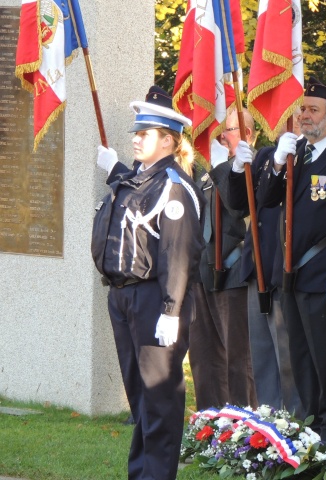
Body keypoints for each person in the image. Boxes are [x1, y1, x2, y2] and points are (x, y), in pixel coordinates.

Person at [247, 77, 326, 442]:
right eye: (302, 109)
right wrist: (277, 163)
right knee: (300, 357)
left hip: (324, 276)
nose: (304, 116)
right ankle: (314, 424)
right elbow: (267, 200)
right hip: (292, 275)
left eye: (313, 110)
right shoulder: (297, 153)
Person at [91, 85, 205, 480]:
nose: (136, 139)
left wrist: (171, 310)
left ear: (169, 141)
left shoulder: (174, 185)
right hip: (123, 297)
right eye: (136, 133)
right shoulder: (139, 179)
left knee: (159, 399)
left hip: (154, 300)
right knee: (140, 397)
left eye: (145, 133)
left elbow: (178, 252)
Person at [227, 112, 303, 413]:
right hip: (258, 263)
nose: (291, 120)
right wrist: (236, 168)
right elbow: (239, 204)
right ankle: (270, 423)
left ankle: (295, 423)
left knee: (288, 358)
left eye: (297, 114)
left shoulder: (307, 159)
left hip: (286, 268)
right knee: (262, 354)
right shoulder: (267, 156)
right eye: (286, 114)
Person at [188, 107, 257, 409]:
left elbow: (238, 208)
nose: (222, 136)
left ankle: (243, 424)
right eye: (224, 130)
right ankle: (210, 422)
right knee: (204, 355)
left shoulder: (255, 169)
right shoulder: (210, 174)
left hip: (234, 272)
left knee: (237, 358)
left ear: (249, 134)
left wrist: (228, 168)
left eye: (230, 129)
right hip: (204, 272)